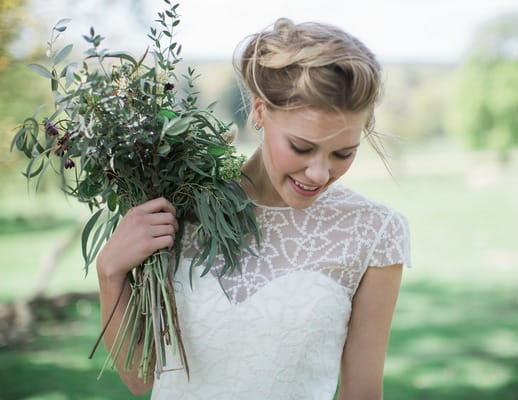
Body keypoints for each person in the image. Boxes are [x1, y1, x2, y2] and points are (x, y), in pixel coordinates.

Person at [96, 17, 411, 399]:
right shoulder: (179, 207)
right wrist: (111, 272)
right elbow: (142, 380)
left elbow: (362, 393)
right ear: (260, 112)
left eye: (343, 153)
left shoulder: (374, 230)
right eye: (301, 147)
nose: (319, 172)